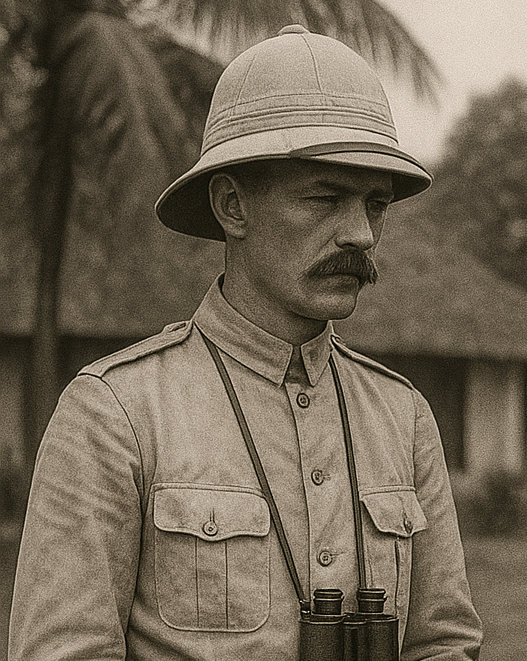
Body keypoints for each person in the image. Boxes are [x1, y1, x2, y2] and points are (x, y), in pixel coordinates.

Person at [9, 25, 482, 660]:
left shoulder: (402, 417)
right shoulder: (114, 413)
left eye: (374, 205)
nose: (360, 235)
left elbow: (443, 644)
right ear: (233, 206)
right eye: (324, 198)